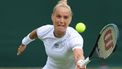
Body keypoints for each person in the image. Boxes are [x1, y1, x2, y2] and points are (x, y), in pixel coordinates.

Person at [17, 0, 86, 69]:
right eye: (58, 16)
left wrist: (80, 62)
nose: (61, 21)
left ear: (70, 19)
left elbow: (78, 54)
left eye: (65, 17)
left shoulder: (74, 37)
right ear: (52, 17)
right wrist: (24, 43)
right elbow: (34, 34)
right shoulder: (45, 31)